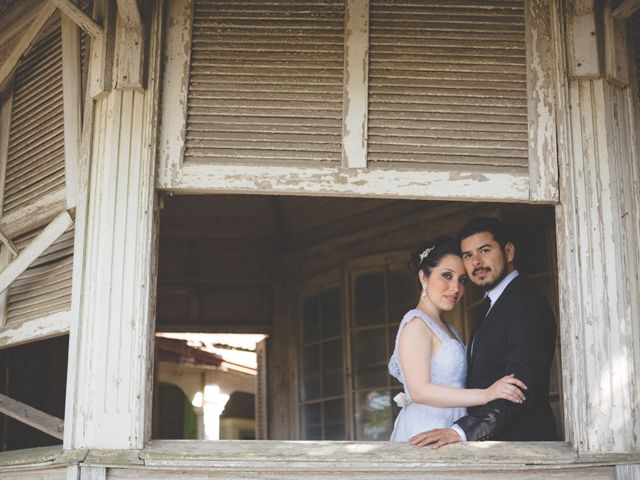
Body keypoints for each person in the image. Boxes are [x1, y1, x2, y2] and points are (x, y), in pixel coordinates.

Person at [409, 217, 557, 448]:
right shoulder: (490, 307)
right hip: (489, 444)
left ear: (508, 252)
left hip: (521, 445)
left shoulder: (524, 302)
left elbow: (520, 387)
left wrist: (463, 431)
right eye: (468, 256)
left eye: (484, 250)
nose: (476, 262)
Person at [388, 235, 527, 442]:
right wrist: (487, 394)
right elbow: (419, 391)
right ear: (423, 278)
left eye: (461, 280)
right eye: (446, 276)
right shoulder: (416, 324)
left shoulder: (449, 328)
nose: (456, 288)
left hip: (454, 425)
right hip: (428, 427)